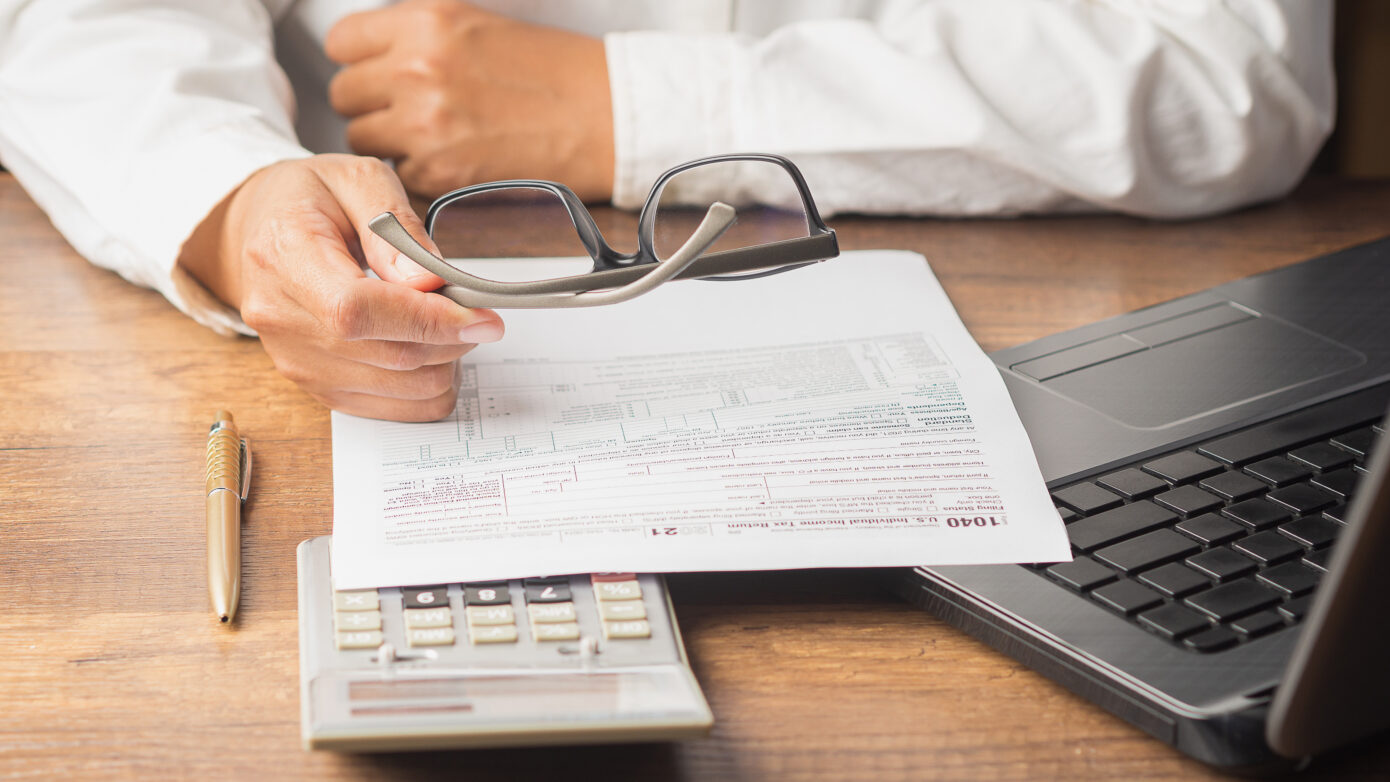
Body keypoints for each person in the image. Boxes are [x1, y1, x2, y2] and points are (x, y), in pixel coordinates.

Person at [0, 1, 1333, 421]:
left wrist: (619, 105)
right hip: (341, 365)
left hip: (1041, 357)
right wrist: (229, 203)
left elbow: (1230, 65)